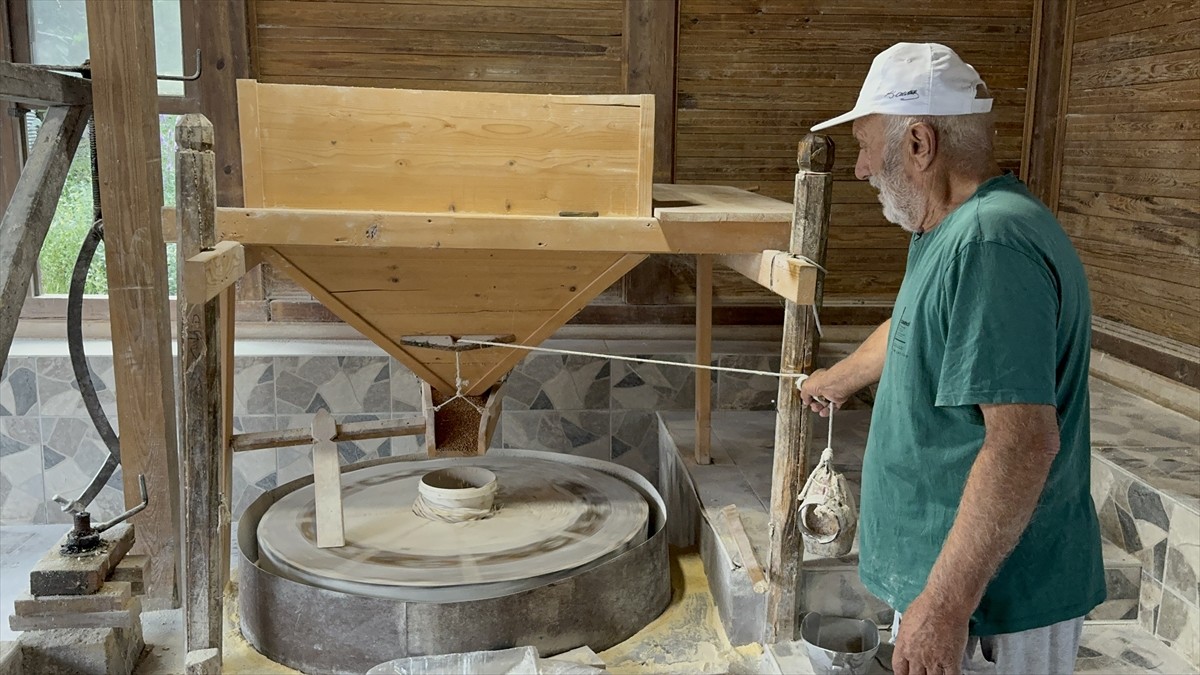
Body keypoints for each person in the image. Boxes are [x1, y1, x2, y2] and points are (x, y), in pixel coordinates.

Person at [800, 43, 1104, 675]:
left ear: (918, 142)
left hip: (990, 606)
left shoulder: (990, 245)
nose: (858, 169)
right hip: (962, 594)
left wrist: (943, 605)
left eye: (864, 146)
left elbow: (1021, 444)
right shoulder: (950, 230)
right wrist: (838, 380)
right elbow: (912, 325)